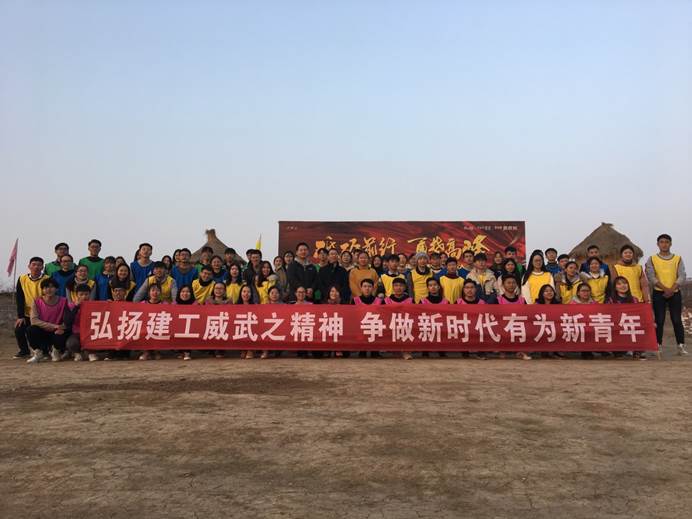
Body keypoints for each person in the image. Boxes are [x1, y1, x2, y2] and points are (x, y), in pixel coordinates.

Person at [645, 234, 687, 355]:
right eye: (662, 242)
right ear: (658, 244)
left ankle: (680, 346)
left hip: (675, 292)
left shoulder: (677, 258)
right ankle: (657, 346)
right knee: (659, 320)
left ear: (670, 244)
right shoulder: (652, 259)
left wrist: (672, 289)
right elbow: (651, 276)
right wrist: (665, 289)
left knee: (676, 319)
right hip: (659, 293)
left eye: (667, 242)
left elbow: (682, 275)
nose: (664, 244)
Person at [26, 278, 69, 364]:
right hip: (43, 331)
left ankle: (55, 351)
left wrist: (62, 327)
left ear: (56, 289)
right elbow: (34, 320)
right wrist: (54, 326)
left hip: (56, 332)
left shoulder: (63, 301)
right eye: (46, 287)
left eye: (52, 287)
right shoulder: (37, 301)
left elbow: (67, 318)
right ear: (42, 290)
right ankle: (38, 353)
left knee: (62, 333)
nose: (49, 289)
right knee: (30, 329)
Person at [13, 257, 47, 359]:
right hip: (27, 313)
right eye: (34, 264)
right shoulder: (22, 278)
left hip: (42, 313)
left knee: (35, 331)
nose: (36, 267)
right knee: (19, 329)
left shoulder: (47, 278)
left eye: (39, 265)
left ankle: (43, 351)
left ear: (42, 267)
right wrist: (20, 316)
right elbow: (19, 297)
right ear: (29, 266)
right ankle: (24, 351)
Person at [608, 276, 646, 360]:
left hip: (631, 324)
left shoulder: (634, 299)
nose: (623, 285)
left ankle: (638, 350)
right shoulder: (611, 300)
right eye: (619, 284)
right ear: (615, 287)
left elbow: (640, 314)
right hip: (617, 324)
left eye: (625, 283)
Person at [497, 276, 531, 360]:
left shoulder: (522, 300)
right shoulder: (498, 300)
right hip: (503, 326)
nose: (511, 285)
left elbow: (527, 314)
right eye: (508, 283)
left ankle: (521, 351)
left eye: (513, 283)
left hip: (518, 326)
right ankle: (502, 350)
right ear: (503, 285)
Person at [64, 284, 98, 361]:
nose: (84, 297)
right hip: (77, 333)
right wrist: (76, 307)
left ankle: (90, 353)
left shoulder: (95, 305)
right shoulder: (71, 306)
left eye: (86, 294)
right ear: (76, 295)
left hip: (91, 333)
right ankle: (77, 353)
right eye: (81, 294)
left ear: (90, 295)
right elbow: (68, 321)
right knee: (71, 343)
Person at [384, 278, 413, 360]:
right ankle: (395, 351)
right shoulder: (386, 301)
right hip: (391, 323)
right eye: (396, 285)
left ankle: (406, 351)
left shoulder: (410, 300)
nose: (398, 288)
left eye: (401, 286)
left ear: (405, 287)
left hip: (405, 324)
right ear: (393, 287)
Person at [353, 279, 382, 358]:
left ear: (373, 288)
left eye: (369, 286)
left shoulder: (379, 301)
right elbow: (352, 316)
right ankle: (362, 350)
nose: (367, 288)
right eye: (365, 286)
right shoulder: (355, 300)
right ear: (361, 288)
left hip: (374, 327)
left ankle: (375, 351)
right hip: (360, 326)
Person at [457, 280, 486, 359]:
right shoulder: (458, 302)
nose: (469, 290)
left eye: (472, 287)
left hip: (478, 327)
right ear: (463, 289)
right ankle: (465, 351)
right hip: (463, 328)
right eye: (467, 288)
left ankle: (480, 352)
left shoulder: (482, 303)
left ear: (475, 289)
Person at [534, 284, 565, 359]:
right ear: (542, 293)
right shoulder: (537, 304)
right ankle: (544, 351)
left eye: (551, 291)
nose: (549, 292)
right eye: (546, 291)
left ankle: (555, 351)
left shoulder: (558, 304)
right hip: (541, 326)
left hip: (555, 327)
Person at [569, 283, 598, 359]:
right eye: (583, 291)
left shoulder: (595, 303)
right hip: (577, 326)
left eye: (588, 291)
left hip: (590, 326)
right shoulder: (572, 304)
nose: (586, 293)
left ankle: (588, 351)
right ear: (578, 293)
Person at [138, 284, 165, 361]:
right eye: (153, 290)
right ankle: (145, 352)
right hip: (145, 327)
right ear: (149, 293)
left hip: (158, 327)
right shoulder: (143, 303)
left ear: (160, 293)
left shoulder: (164, 304)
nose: (155, 292)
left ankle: (157, 352)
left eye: (157, 290)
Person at [175, 285, 197, 360]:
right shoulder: (174, 304)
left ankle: (187, 351)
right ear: (179, 293)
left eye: (188, 292)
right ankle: (180, 351)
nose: (185, 294)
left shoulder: (196, 304)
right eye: (183, 291)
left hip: (191, 327)